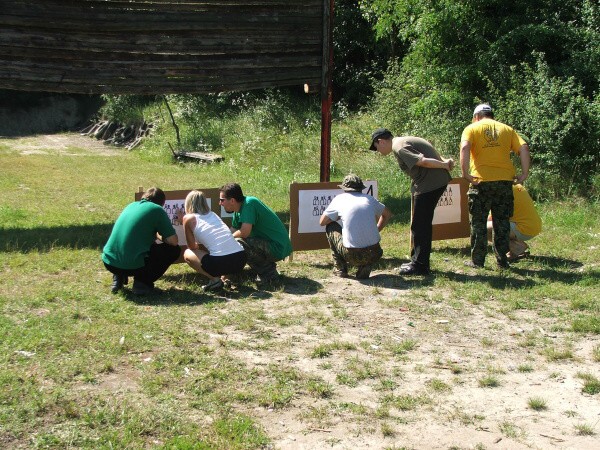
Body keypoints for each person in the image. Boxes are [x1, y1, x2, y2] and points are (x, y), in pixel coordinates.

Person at [370, 129, 454, 275]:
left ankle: (420, 265)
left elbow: (423, 161)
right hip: (431, 183)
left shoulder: (399, 146)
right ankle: (417, 261)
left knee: (420, 225)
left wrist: (444, 165)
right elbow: (429, 150)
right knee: (420, 224)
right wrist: (444, 161)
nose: (377, 151)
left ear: (381, 141)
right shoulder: (403, 141)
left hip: (429, 184)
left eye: (376, 147)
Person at [460, 103, 530, 269]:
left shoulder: (472, 128)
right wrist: (524, 173)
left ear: (477, 116)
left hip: (480, 181)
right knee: (502, 222)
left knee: (478, 222)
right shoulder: (507, 129)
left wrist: (465, 174)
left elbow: (464, 147)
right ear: (491, 115)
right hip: (504, 182)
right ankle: (502, 261)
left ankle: (477, 262)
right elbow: (524, 148)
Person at [102, 187, 181, 295]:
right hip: (131, 265)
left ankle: (118, 278)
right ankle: (142, 283)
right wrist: (161, 236)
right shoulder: (157, 210)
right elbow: (173, 241)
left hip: (109, 262)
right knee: (174, 250)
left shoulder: (131, 205)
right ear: (162, 203)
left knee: (129, 246)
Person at [319, 174, 392, 279]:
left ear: (344, 188)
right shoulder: (370, 199)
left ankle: (340, 268)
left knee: (330, 226)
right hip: (375, 253)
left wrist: (337, 217)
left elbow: (322, 222)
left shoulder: (340, 199)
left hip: (352, 255)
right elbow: (387, 214)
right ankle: (366, 265)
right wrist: (377, 229)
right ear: (361, 188)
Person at [219, 182, 292, 283]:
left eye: (222, 200)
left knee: (239, 243)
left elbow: (244, 232)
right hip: (270, 245)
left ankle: (268, 273)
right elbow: (233, 230)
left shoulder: (249, 204)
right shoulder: (238, 209)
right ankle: (230, 275)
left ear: (232, 200)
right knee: (234, 241)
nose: (220, 203)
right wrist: (220, 241)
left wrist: (227, 241)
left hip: (278, 247)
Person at [182, 190, 247, 291]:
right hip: (240, 259)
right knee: (221, 248)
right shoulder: (213, 214)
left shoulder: (188, 218)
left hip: (220, 262)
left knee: (187, 253)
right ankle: (225, 278)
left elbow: (192, 247)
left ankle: (214, 280)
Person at [487, 184, 541, 261]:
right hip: (533, 226)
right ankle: (515, 248)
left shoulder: (502, 191)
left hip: (523, 228)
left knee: (483, 229)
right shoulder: (516, 186)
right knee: (492, 226)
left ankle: (517, 247)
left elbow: (492, 218)